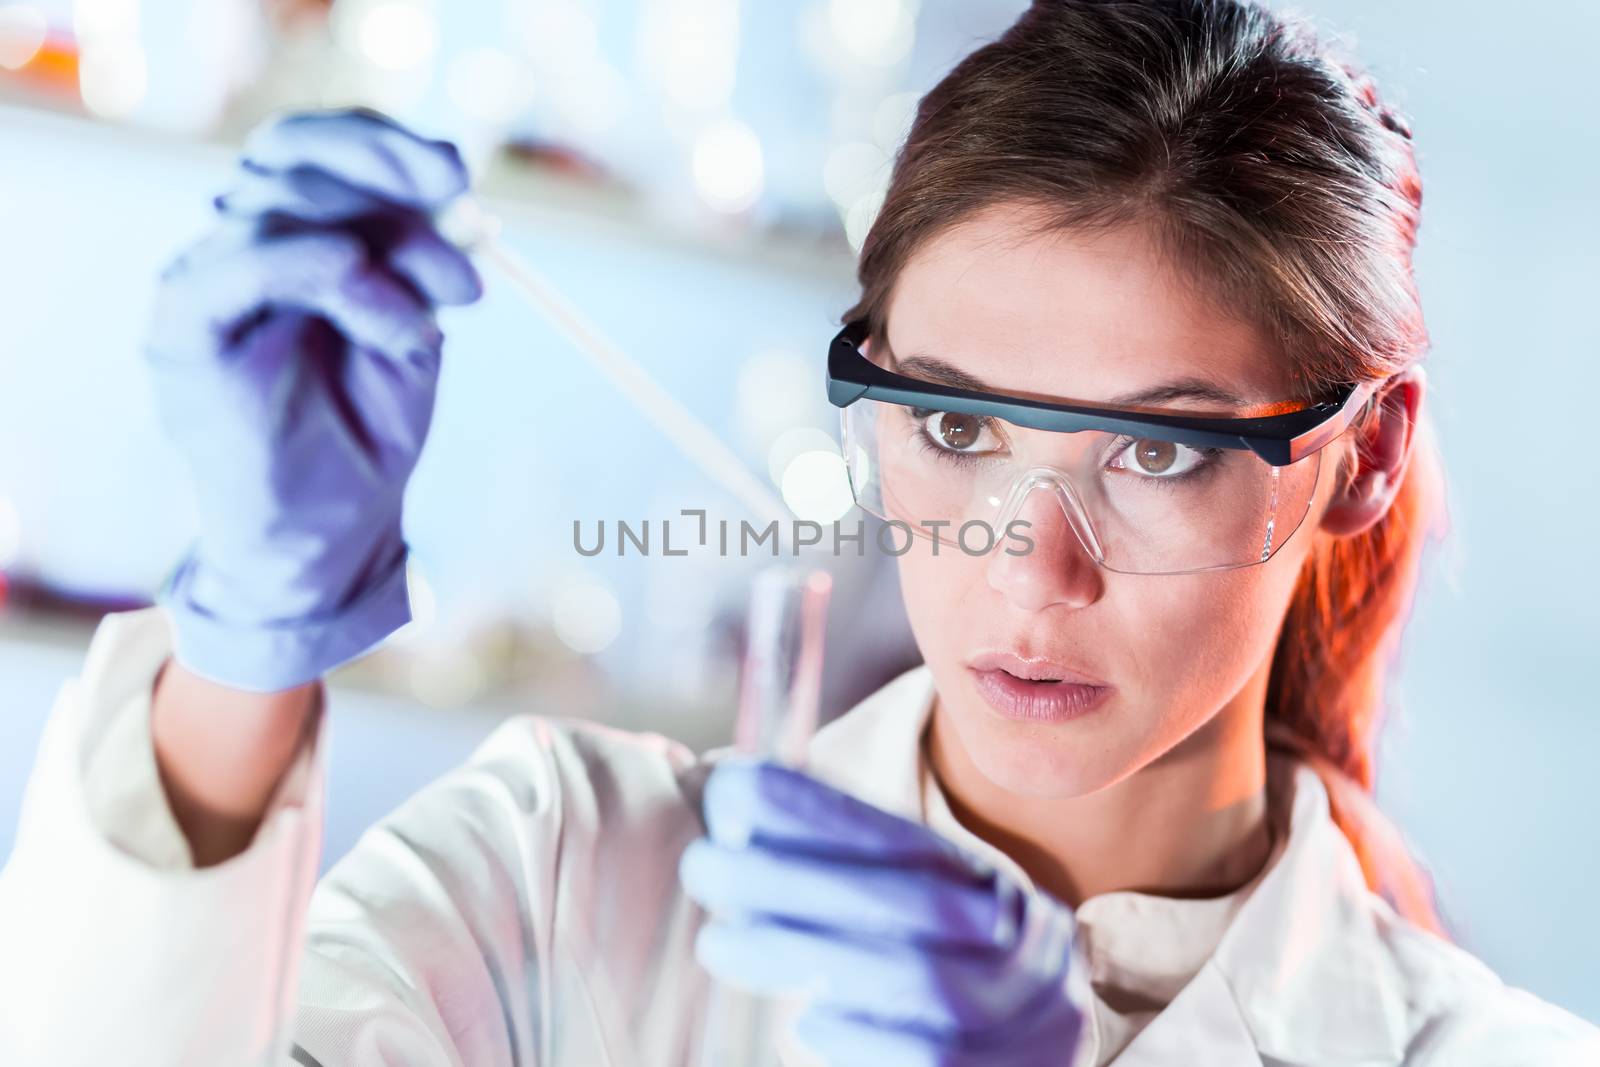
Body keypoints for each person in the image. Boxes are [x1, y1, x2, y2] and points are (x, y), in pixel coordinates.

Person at [2, 1, 1597, 1064]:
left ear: (1363, 454)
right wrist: (241, 643)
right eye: (958, 426)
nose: (1025, 568)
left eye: (1153, 448)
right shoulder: (561, 875)